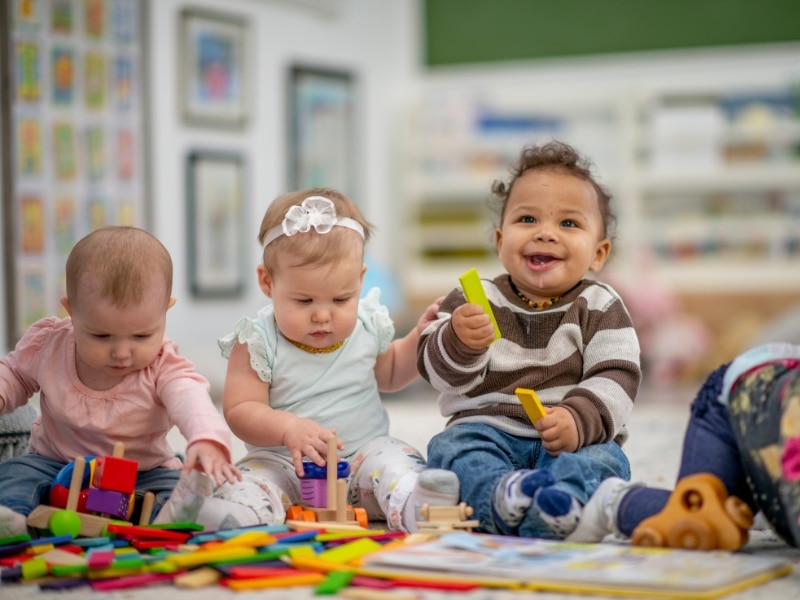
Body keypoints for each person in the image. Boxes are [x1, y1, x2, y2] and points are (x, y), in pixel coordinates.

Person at [158, 189, 459, 532]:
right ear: (267, 282)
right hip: (283, 463)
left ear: (360, 280)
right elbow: (240, 411)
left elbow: (390, 373)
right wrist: (287, 428)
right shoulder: (257, 339)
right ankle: (228, 513)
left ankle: (416, 504)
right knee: (253, 482)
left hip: (360, 461)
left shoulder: (367, 323)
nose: (322, 315)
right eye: (303, 301)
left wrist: (420, 334)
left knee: (395, 457)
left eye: (340, 299)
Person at [418, 140, 642, 539]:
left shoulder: (600, 305)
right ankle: (500, 497)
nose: (545, 234)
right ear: (500, 240)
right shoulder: (474, 298)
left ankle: (562, 503)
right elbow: (434, 371)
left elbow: (618, 374)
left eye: (568, 224)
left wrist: (579, 418)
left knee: (606, 459)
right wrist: (458, 341)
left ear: (599, 253)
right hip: (487, 429)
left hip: (572, 441)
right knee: (451, 449)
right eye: (527, 220)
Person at [0, 226, 241, 537]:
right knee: (13, 474)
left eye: (142, 336)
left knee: (174, 486)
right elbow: (15, 373)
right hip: (53, 461)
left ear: (165, 310)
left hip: (142, 471)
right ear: (71, 312)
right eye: (101, 335)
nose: (122, 352)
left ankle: (171, 517)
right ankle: (13, 519)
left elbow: (189, 396)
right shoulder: (49, 345)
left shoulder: (162, 364)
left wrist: (206, 437)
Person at [568, 342, 800, 548]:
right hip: (736, 401)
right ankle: (611, 502)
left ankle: (756, 502)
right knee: (695, 512)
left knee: (720, 516)